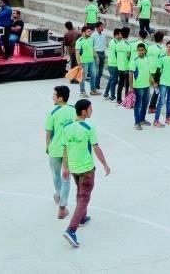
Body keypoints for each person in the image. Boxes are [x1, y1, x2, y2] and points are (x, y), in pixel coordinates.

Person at [61, 99, 111, 248]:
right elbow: (96, 148)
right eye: (90, 108)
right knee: (84, 197)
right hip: (87, 169)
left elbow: (65, 149)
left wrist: (65, 167)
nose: (92, 111)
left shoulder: (67, 127)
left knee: (80, 193)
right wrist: (105, 165)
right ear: (84, 111)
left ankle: (82, 217)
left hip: (74, 168)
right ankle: (71, 230)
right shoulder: (89, 127)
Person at [45, 86, 76, 220]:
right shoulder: (74, 111)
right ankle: (62, 202)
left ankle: (60, 199)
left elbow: (48, 133)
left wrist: (48, 147)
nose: (52, 97)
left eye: (54, 95)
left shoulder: (52, 112)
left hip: (55, 150)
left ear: (60, 98)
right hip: (69, 151)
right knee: (66, 179)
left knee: (56, 176)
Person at [131, 43, 157, 130]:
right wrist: (131, 87)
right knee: (138, 104)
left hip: (147, 86)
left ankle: (142, 119)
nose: (141, 52)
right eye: (139, 50)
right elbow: (131, 73)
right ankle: (137, 122)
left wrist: (152, 81)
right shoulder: (135, 60)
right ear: (137, 51)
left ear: (145, 51)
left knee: (145, 103)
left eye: (142, 50)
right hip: (138, 86)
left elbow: (149, 72)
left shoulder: (147, 59)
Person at [75, 25, 96, 96]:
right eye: (88, 31)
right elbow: (77, 53)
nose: (90, 33)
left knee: (93, 75)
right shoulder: (79, 41)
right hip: (84, 62)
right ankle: (82, 92)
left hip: (91, 61)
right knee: (83, 77)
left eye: (90, 31)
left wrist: (96, 56)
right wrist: (79, 63)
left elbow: (92, 48)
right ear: (83, 32)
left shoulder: (91, 39)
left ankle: (92, 90)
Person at [90, 22, 107, 93]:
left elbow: (104, 44)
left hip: (102, 53)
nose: (102, 28)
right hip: (96, 54)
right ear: (97, 27)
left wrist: (104, 53)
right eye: (101, 27)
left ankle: (98, 85)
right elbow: (91, 46)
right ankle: (95, 87)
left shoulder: (103, 35)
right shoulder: (93, 35)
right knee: (96, 71)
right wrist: (95, 55)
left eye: (103, 26)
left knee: (100, 71)